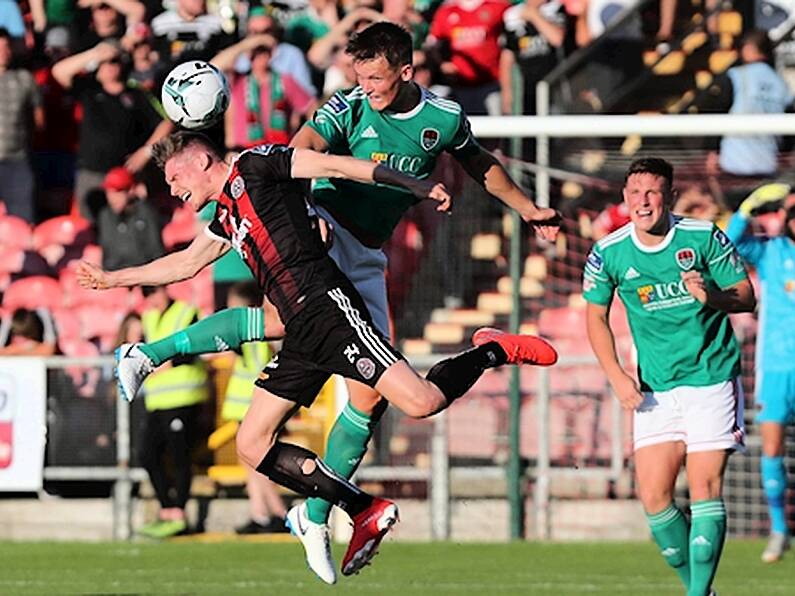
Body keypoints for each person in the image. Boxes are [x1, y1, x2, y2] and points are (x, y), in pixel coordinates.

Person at [80, 21, 560, 584]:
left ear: (405, 72)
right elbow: (302, 154)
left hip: (349, 268)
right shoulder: (337, 115)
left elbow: (458, 164)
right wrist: (115, 279)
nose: (364, 86)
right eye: (358, 74)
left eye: (375, 77)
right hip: (323, 239)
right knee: (257, 431)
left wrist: (525, 208)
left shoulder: (441, 121)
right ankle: (328, 506)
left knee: (388, 398)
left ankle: (323, 508)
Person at [584, 157, 755, 596]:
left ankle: (698, 595)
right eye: (635, 193)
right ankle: (702, 591)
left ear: (670, 196)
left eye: (653, 192)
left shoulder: (701, 236)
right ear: (624, 198)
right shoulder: (609, 251)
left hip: (711, 379)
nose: (644, 202)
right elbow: (596, 317)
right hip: (654, 388)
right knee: (655, 500)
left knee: (704, 489)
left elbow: (745, 297)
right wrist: (617, 376)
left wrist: (711, 295)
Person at [726, 182, 795, 562]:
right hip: (775, 367)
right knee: (771, 447)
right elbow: (729, 245)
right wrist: (747, 208)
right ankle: (779, 530)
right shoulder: (771, 253)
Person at [52, 40, 172, 220]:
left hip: (126, 175)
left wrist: (146, 152)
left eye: (114, 61)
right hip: (92, 174)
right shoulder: (88, 90)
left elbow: (167, 123)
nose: (109, 66)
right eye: (104, 63)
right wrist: (95, 53)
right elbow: (59, 71)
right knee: (88, 227)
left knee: (131, 225)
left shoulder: (137, 93)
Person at [136, 285, 209, 539]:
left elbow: (199, 347)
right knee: (146, 454)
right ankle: (167, 507)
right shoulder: (148, 318)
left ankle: (178, 511)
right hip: (158, 399)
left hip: (185, 395)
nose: (151, 299)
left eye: (153, 292)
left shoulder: (186, 312)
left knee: (180, 456)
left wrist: (172, 362)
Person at [220, 281, 289, 535]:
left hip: (252, 409)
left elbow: (259, 370)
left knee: (258, 463)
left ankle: (278, 513)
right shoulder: (253, 341)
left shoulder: (255, 340)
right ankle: (260, 512)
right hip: (246, 408)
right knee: (251, 465)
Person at [705, 29, 794, 210]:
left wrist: (712, 149)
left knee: (736, 225)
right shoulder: (782, 84)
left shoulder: (736, 76)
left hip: (734, 167)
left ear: (749, 49)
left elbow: (716, 113)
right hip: (769, 167)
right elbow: (788, 134)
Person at [0, 28, 44, 223]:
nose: (4, 52)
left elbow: (39, 121)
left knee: (22, 221)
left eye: (6, 47)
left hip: (17, 160)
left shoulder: (25, 79)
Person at [97, 166, 164, 271]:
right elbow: (106, 254)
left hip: (144, 276)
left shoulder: (146, 212)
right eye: (108, 192)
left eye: (117, 191)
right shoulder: (105, 215)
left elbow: (156, 250)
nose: (112, 198)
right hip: (114, 278)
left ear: (130, 190)